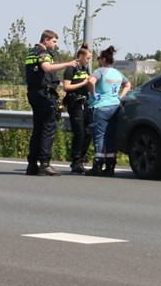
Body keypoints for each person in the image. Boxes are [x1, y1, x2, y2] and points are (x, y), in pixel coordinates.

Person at [24, 30, 78, 176]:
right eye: (54, 41)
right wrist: (68, 64)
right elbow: (46, 68)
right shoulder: (43, 53)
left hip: (34, 93)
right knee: (48, 129)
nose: (55, 44)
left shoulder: (31, 52)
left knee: (38, 129)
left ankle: (32, 165)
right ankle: (45, 164)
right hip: (44, 95)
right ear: (46, 40)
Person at [85, 45, 131, 177]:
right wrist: (120, 97)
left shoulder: (100, 71)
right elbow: (128, 84)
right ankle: (110, 166)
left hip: (101, 107)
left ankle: (98, 165)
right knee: (111, 137)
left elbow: (90, 81)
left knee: (99, 137)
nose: (98, 60)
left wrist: (93, 94)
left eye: (99, 58)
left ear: (103, 59)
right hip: (115, 107)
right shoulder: (117, 73)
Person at [62, 43, 94, 173]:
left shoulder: (85, 69)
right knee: (79, 133)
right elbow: (66, 87)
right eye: (87, 58)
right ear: (80, 56)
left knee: (88, 132)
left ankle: (81, 158)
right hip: (75, 103)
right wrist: (83, 83)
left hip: (85, 103)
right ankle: (75, 161)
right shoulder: (71, 69)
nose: (89, 61)